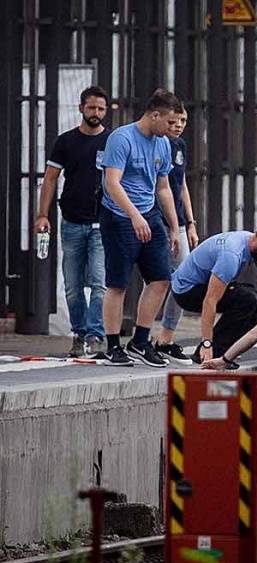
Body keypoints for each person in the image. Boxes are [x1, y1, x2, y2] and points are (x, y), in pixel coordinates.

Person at [97, 89, 181, 368]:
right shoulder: (121, 138)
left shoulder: (163, 144)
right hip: (119, 216)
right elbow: (112, 182)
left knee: (161, 279)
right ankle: (112, 345)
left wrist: (174, 226)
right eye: (169, 122)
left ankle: (140, 341)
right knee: (118, 283)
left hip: (150, 213)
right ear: (154, 115)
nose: (173, 129)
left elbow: (164, 187)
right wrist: (134, 216)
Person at [34, 86, 111, 357]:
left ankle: (96, 335)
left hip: (102, 224)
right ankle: (79, 334)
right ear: (81, 108)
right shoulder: (66, 141)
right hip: (72, 222)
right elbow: (51, 178)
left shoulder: (112, 141)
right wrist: (42, 214)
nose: (96, 113)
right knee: (73, 285)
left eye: (101, 108)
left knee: (100, 282)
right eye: (91, 108)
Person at [166, 220, 257, 364]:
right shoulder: (231, 254)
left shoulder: (254, 245)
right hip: (186, 291)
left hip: (200, 286)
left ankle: (230, 351)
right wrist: (207, 343)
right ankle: (213, 354)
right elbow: (210, 300)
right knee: (247, 299)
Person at [154, 106, 199, 360]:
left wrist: (190, 223)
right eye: (174, 120)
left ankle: (166, 336)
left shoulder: (179, 145)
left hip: (178, 221)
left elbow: (181, 185)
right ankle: (143, 335)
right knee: (157, 279)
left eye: (183, 120)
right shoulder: (156, 144)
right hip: (155, 219)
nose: (179, 125)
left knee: (183, 279)